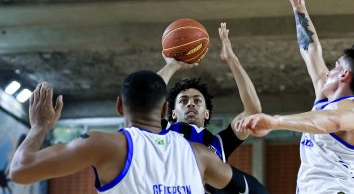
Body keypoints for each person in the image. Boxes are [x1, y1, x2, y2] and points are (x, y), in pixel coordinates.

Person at [9, 71, 264, 193]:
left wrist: (40, 126)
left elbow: (20, 170)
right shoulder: (200, 155)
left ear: (119, 105)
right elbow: (256, 190)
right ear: (167, 109)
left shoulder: (105, 145)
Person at [235, 0, 354, 193]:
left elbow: (334, 121)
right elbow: (311, 50)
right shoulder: (325, 97)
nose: (328, 70)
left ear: (344, 75)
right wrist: (298, 4)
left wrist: (276, 121)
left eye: (335, 66)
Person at [158, 23, 266, 193]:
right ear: (172, 112)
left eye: (197, 101)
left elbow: (253, 112)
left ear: (206, 112)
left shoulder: (219, 143)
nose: (191, 104)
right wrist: (173, 65)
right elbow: (146, 100)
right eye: (183, 101)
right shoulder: (163, 131)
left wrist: (233, 61)